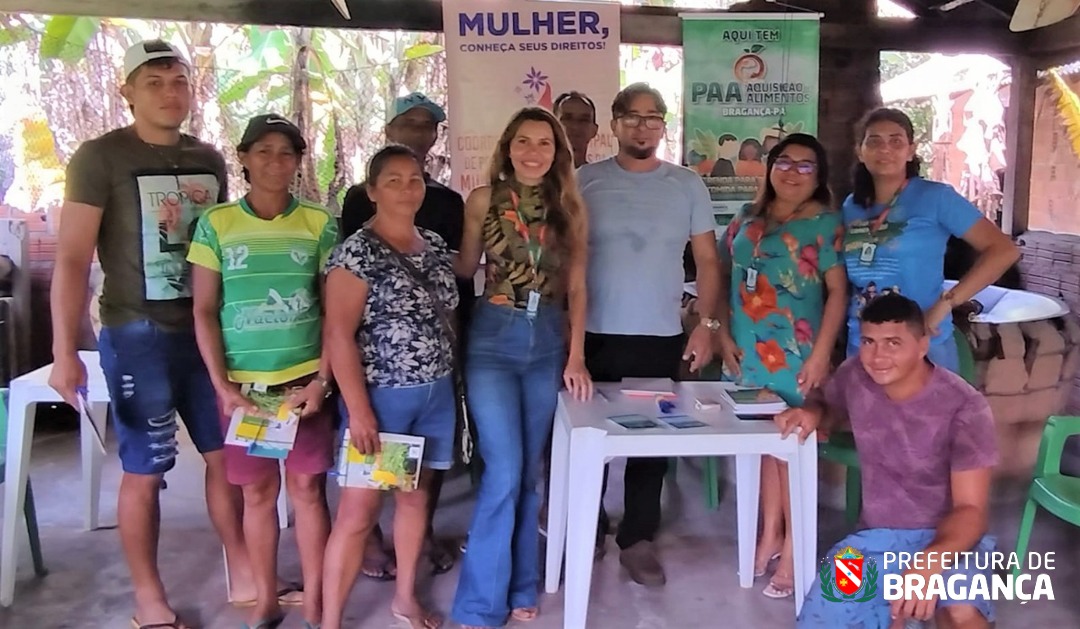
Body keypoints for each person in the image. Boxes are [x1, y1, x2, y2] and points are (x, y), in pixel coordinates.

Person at [47, 40, 260, 629]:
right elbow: (70, 260)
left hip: (205, 332)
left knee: (226, 455)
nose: (171, 92)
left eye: (180, 80)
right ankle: (148, 596)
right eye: (155, 82)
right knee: (146, 465)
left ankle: (242, 569)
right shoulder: (100, 158)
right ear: (128, 92)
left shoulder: (209, 159)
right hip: (136, 332)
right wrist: (65, 351)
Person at [188, 114, 337, 629]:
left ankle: (317, 600)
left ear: (298, 162)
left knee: (308, 492)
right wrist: (222, 386)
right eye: (265, 151)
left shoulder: (319, 223)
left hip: (303, 387)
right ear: (245, 158)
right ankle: (266, 598)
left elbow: (334, 311)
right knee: (256, 494)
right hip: (245, 393)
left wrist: (322, 381)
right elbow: (204, 309)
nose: (276, 162)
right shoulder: (217, 224)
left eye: (287, 153)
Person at [451, 107, 592, 628]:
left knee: (528, 471)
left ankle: (521, 584)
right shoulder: (482, 201)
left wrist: (576, 355)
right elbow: (465, 268)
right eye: (524, 142)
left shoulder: (570, 208)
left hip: (549, 340)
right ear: (507, 147)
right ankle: (478, 606)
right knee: (504, 470)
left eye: (545, 144)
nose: (533, 152)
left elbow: (577, 287)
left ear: (559, 153)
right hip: (493, 336)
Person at [781, 293, 998, 629]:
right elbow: (827, 404)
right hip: (875, 537)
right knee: (827, 615)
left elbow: (971, 511)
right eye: (869, 341)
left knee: (960, 611)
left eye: (893, 343)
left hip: (950, 539)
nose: (878, 356)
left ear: (922, 344)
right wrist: (811, 413)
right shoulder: (856, 376)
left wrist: (929, 563)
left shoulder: (965, 407)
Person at [577, 82, 720, 587]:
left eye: (653, 117)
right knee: (584, 439)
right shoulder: (583, 180)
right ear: (614, 124)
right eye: (632, 117)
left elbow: (707, 260)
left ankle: (637, 539)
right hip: (590, 336)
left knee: (650, 444)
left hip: (659, 335)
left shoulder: (686, 184)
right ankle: (586, 527)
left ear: (664, 124)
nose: (642, 126)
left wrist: (705, 326)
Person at [321, 145, 458, 629]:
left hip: (435, 396)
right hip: (384, 401)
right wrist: (359, 412)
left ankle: (405, 598)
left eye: (415, 179)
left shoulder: (436, 245)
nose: (406, 188)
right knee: (358, 513)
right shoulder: (357, 253)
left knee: (415, 499)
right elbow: (338, 335)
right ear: (372, 191)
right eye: (393, 180)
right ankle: (332, 620)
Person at [339, 91, 467, 579]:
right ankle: (368, 546)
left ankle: (411, 570)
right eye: (407, 123)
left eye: (426, 125)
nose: (417, 132)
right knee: (365, 490)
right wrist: (357, 402)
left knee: (421, 479)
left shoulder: (447, 207)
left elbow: (456, 272)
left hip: (433, 372)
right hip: (382, 379)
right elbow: (344, 318)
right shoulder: (357, 212)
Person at [716, 133, 847, 599]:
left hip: (797, 353)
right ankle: (770, 533)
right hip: (749, 352)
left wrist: (821, 353)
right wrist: (720, 331)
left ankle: (794, 550)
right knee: (767, 447)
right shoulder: (746, 218)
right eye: (784, 162)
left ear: (819, 176)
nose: (792, 172)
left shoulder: (825, 223)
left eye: (805, 165)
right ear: (769, 167)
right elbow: (727, 278)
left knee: (792, 448)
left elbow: (837, 292)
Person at [842, 107, 1019, 373]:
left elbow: (1003, 250)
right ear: (860, 151)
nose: (885, 149)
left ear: (911, 150)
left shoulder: (936, 198)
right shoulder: (851, 207)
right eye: (874, 141)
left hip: (922, 345)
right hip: (863, 346)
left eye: (896, 141)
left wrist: (946, 303)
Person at [553, 90, 599, 168]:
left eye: (584, 120)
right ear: (552, 126)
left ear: (594, 130)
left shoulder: (601, 178)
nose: (575, 126)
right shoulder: (537, 176)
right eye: (567, 118)